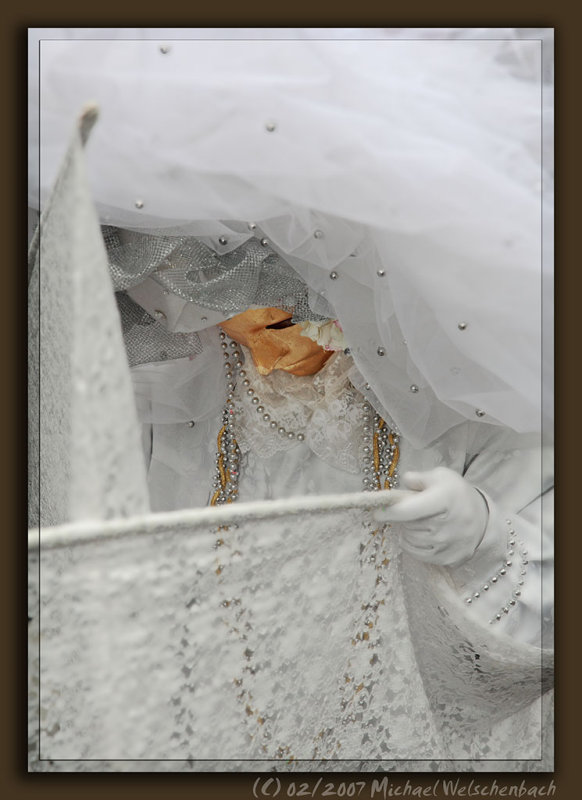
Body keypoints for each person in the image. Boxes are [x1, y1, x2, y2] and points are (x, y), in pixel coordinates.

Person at [29, 28, 553, 770]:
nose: (236, 303)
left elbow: (545, 635)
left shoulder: (473, 378)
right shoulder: (170, 388)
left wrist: (480, 541)